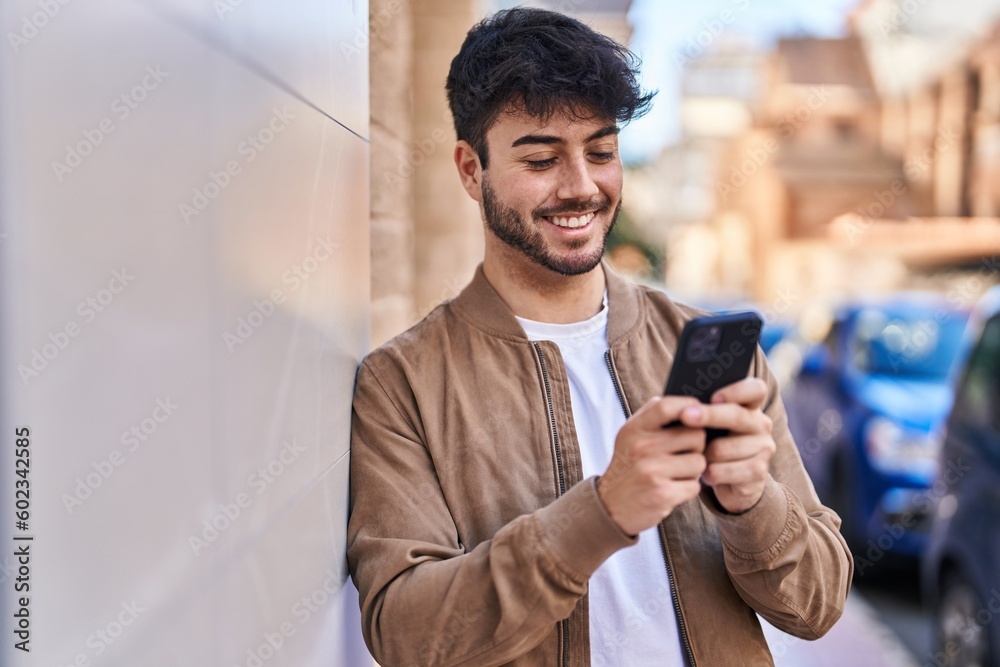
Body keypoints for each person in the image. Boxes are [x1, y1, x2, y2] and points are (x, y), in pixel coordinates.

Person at [347, 7, 852, 666]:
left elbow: (817, 605)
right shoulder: (403, 383)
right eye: (541, 157)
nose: (581, 186)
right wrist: (603, 509)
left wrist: (753, 504)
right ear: (471, 170)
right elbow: (407, 634)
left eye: (601, 151)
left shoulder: (704, 345)